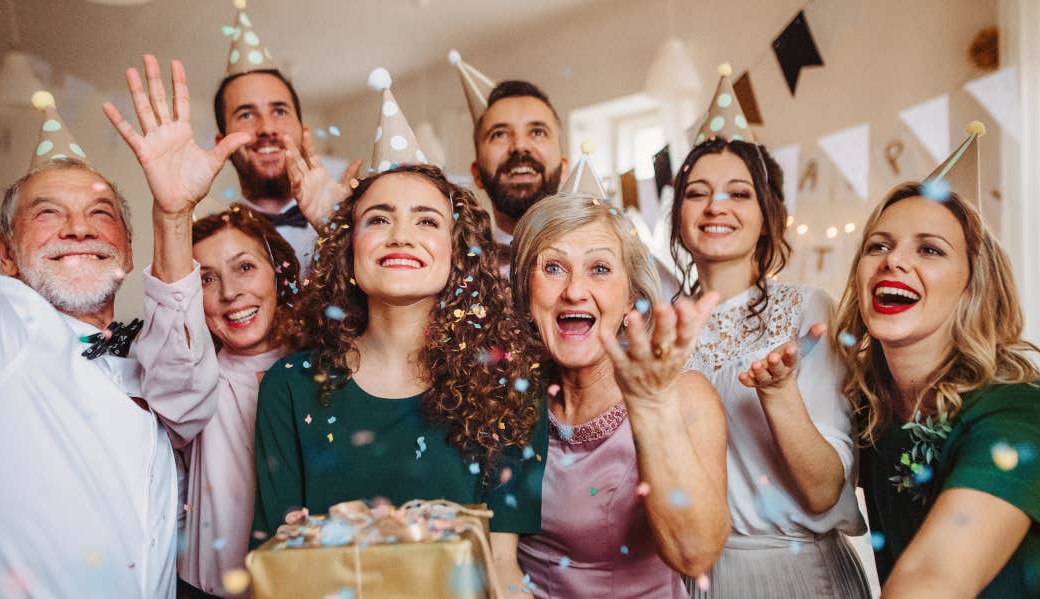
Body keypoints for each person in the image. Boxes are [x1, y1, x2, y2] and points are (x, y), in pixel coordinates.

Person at [0, 3, 217, 596]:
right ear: (3, 254)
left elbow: (191, 403)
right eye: (48, 213)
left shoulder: (146, 357)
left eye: (100, 214)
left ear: (126, 245)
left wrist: (174, 216)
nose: (79, 228)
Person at [250, 163, 547, 591]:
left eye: (426, 220)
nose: (401, 235)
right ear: (349, 247)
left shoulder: (508, 388)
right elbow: (275, 564)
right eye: (379, 219)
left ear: (458, 249)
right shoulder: (290, 386)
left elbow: (500, 564)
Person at [835, 126, 1040, 598]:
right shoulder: (870, 405)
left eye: (929, 249)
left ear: (973, 286)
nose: (893, 262)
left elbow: (935, 576)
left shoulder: (1021, 414)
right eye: (878, 245)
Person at [104, 55, 302, 598]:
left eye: (244, 268)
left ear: (279, 274)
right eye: (206, 280)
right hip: (210, 586)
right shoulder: (198, 374)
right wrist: (172, 217)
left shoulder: (319, 364)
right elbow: (176, 393)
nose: (231, 292)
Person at [669, 66, 870, 598]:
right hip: (686, 578)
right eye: (697, 193)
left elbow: (825, 489)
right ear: (678, 214)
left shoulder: (806, 310)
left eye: (739, 193)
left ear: (767, 215)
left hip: (791, 573)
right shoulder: (657, 325)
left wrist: (778, 392)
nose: (716, 206)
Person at [510, 193, 729, 598]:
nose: (575, 291)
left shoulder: (684, 397)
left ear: (630, 296)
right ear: (526, 290)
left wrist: (651, 408)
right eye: (553, 267)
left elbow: (695, 555)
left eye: (600, 268)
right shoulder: (506, 399)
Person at [213, 0, 359, 266]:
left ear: (304, 133)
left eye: (279, 111)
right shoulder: (210, 241)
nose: (267, 128)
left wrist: (338, 230)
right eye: (246, 114)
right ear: (221, 143)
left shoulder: (357, 227)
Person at [453, 54, 568, 270]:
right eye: (499, 134)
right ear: (476, 173)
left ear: (563, 168)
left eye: (537, 132)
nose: (519, 146)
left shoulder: (620, 267)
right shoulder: (454, 275)